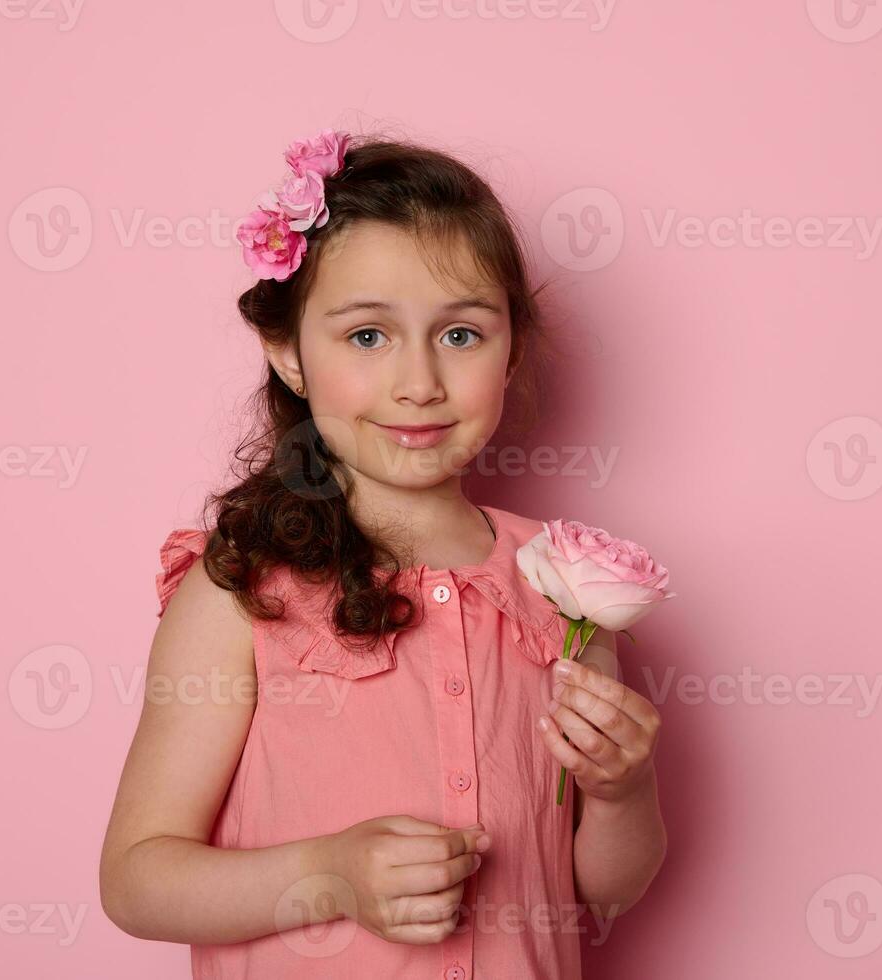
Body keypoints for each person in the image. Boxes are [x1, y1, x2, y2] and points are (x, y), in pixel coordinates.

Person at [98, 129, 667, 979]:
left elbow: (602, 889)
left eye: (461, 335)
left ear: (512, 347)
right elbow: (136, 882)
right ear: (289, 353)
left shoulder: (564, 586)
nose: (419, 383)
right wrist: (326, 875)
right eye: (367, 336)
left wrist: (624, 790)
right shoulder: (239, 591)